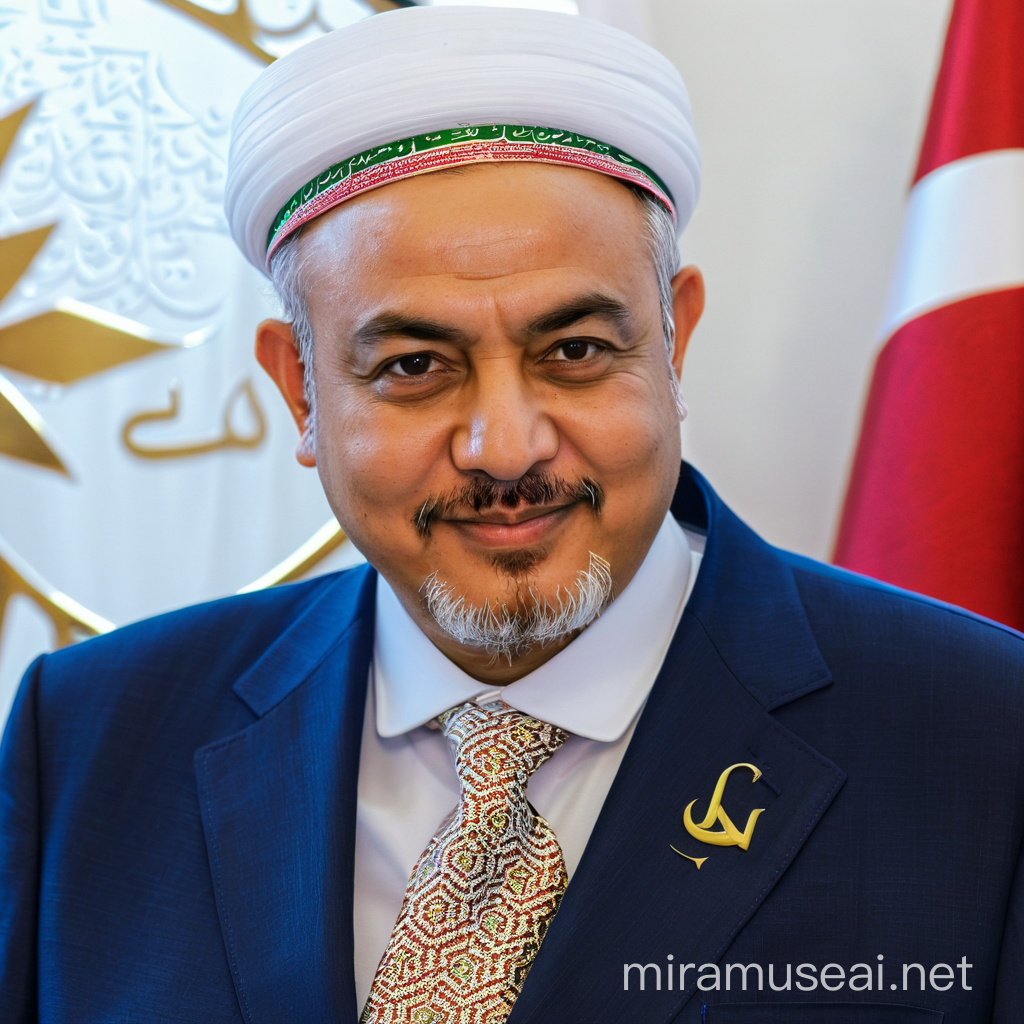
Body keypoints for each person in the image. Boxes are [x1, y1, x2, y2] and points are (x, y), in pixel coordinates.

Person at [1, 7, 1022, 1023]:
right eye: (413, 367)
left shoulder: (983, 737)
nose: (505, 446)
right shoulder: (91, 739)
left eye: (572, 351)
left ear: (675, 340)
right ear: (301, 391)